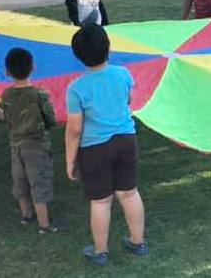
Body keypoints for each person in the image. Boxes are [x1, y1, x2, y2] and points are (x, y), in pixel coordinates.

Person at [65, 25, 149, 267]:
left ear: (78, 56)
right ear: (108, 47)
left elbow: (74, 129)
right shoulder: (123, 74)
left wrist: (70, 160)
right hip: (126, 141)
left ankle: (100, 251)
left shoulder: (77, 88)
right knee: (129, 192)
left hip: (95, 148)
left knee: (101, 200)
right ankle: (138, 241)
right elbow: (128, 100)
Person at [2, 48, 59, 234]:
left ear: (7, 71)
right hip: (37, 145)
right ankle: (44, 225)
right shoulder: (39, 95)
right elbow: (50, 118)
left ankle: (26, 215)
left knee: (20, 181)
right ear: (33, 67)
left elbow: (7, 118)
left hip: (15, 145)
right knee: (38, 182)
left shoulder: (6, 95)